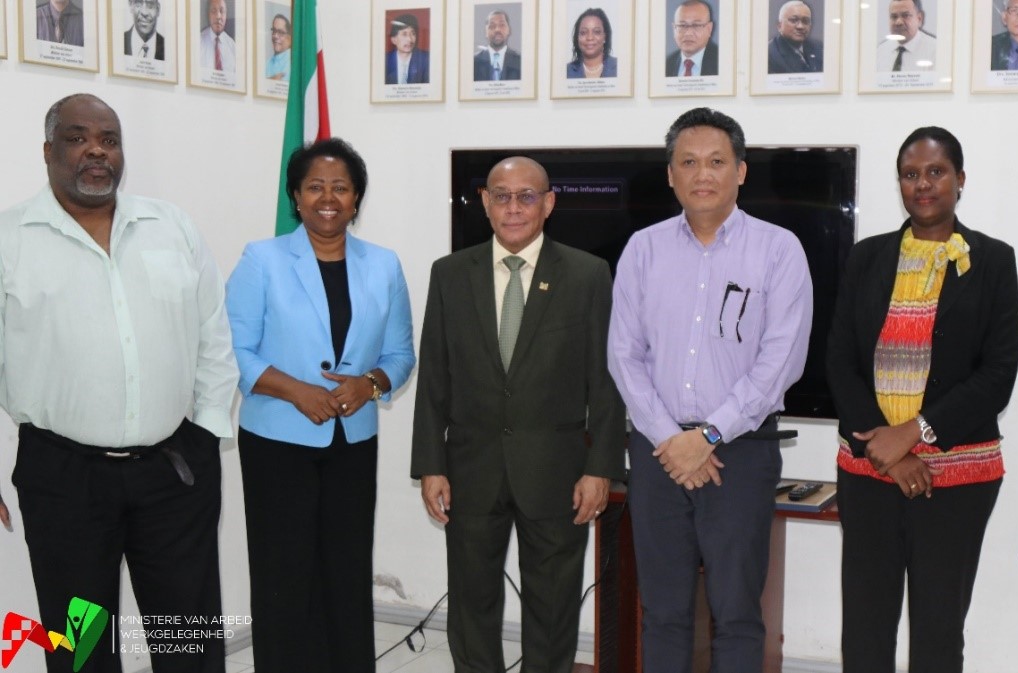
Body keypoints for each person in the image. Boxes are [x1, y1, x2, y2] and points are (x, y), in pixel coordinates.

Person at [0, 93, 238, 673]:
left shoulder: (170, 226)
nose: (96, 151)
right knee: (81, 650)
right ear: (48, 151)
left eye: (108, 140)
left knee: (188, 644)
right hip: (64, 481)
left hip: (173, 473)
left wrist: (206, 430)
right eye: (78, 138)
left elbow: (213, 333)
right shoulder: (10, 238)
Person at [608, 108, 813, 673]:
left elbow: (781, 361)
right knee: (662, 612)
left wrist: (709, 435)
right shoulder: (642, 249)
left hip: (740, 452)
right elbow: (624, 354)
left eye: (717, 161)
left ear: (740, 172)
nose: (703, 174)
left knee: (737, 613)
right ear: (670, 174)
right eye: (689, 162)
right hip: (658, 453)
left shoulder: (779, 250)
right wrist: (672, 439)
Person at [412, 157, 625, 673]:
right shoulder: (449, 274)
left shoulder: (587, 274)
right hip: (470, 468)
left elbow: (607, 381)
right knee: (471, 602)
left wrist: (600, 468)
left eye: (526, 196)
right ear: (485, 202)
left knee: (553, 607)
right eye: (502, 196)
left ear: (548, 204)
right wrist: (431, 465)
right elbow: (434, 377)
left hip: (557, 470)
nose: (513, 208)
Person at [827, 126, 1018, 673]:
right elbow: (839, 360)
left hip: (957, 479)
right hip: (870, 474)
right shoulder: (866, 257)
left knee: (938, 633)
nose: (923, 184)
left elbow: (998, 375)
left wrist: (914, 433)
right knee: (865, 630)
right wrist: (887, 452)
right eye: (910, 174)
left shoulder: (994, 261)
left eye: (936, 172)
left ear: (960, 179)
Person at [225, 138, 415, 673]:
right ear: (296, 196)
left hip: (352, 443)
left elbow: (401, 354)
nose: (327, 198)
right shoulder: (261, 259)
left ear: (356, 199)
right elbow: (233, 349)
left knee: (347, 570)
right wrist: (296, 390)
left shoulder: (383, 265)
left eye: (341, 188)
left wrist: (369, 384)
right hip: (276, 444)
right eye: (315, 187)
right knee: (283, 573)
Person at [876, 0, 935, 71]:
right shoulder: (880, 52)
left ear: (919, 19)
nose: (898, 22)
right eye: (894, 17)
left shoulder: (935, 51)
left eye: (905, 15)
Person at [767, 0, 823, 74]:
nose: (800, 26)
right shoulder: (769, 54)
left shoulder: (819, 48)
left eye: (805, 21)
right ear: (779, 25)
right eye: (793, 20)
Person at [665, 0, 718, 77]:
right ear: (674, 29)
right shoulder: (666, 65)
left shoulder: (722, 62)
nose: (688, 33)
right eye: (682, 26)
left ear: (709, 29)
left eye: (696, 25)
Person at [566, 8, 618, 78]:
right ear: (577, 38)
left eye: (596, 32)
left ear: (605, 37)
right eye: (583, 32)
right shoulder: (566, 71)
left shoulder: (619, 67)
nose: (590, 38)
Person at [473, 9, 521, 81]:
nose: (497, 30)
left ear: (509, 30)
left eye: (502, 25)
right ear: (486, 32)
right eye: (492, 26)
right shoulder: (474, 62)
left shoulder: (520, 61)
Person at [385, 13, 429, 84]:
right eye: (404, 34)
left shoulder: (426, 60)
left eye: (413, 33)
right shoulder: (385, 61)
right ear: (394, 40)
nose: (410, 39)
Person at [199, 0, 236, 74]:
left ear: (226, 15)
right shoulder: (198, 42)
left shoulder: (232, 46)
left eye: (222, 11)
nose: (218, 16)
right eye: (213, 11)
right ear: (208, 15)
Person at [265, 13, 291, 80]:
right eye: (274, 31)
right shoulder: (267, 63)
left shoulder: (293, 61)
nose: (275, 36)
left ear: (289, 38)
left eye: (281, 32)